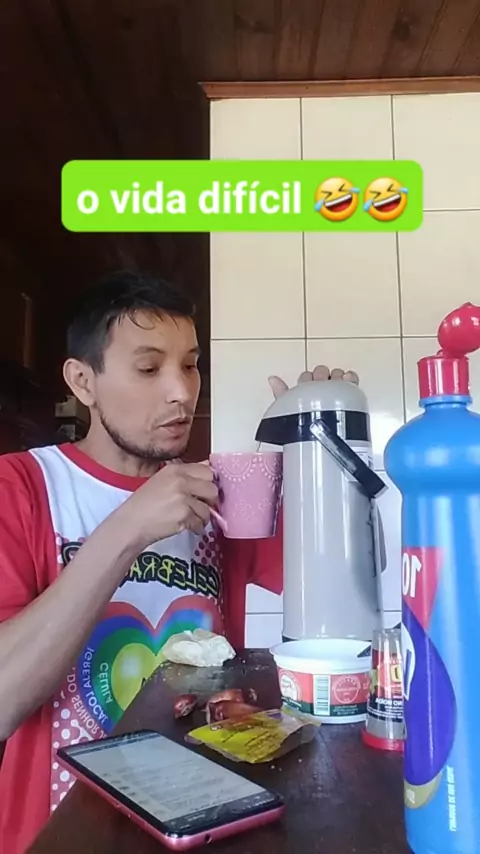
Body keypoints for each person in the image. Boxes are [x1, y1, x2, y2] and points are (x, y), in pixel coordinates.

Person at [0, 271, 359, 852]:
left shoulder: (222, 493)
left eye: (190, 365)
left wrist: (328, 458)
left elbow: (343, 595)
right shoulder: (21, 486)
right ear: (83, 381)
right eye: (149, 368)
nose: (182, 392)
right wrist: (128, 528)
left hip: (207, 816)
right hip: (59, 832)